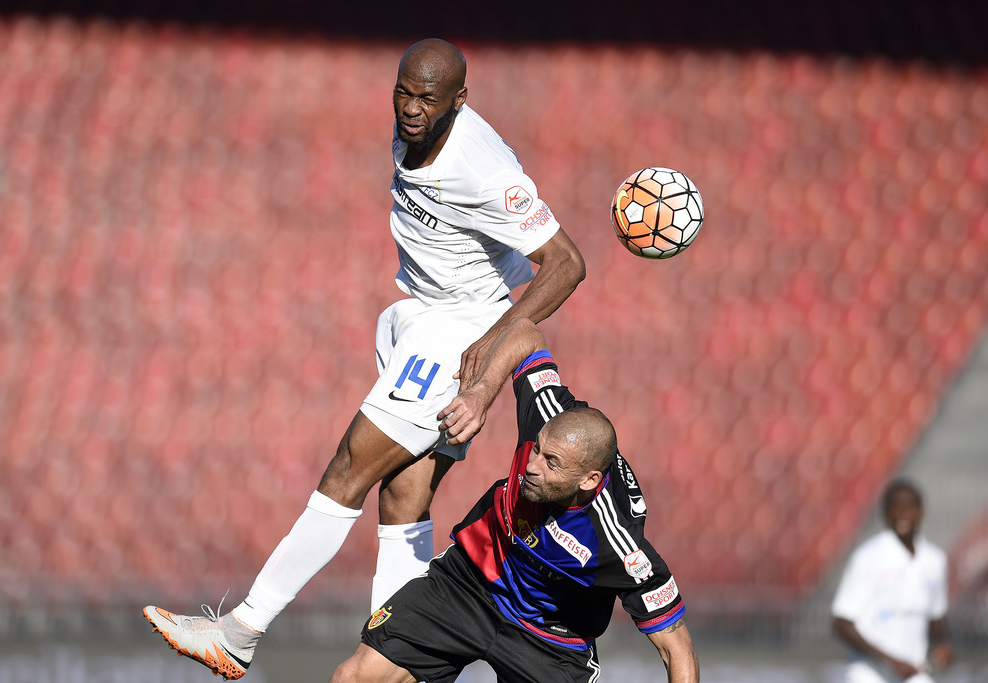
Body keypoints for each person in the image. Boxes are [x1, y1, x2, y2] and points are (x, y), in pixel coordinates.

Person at [143, 38, 585, 680]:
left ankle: (239, 632)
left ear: (460, 101)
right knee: (404, 495)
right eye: (403, 92)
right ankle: (395, 658)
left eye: (427, 98)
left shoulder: (483, 167)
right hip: (418, 316)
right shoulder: (414, 131)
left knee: (348, 467)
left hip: (458, 326)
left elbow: (567, 263)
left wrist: (491, 356)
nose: (410, 107)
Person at [330, 318, 700, 683]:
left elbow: (676, 648)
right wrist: (481, 392)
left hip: (551, 638)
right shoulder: (547, 412)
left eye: (550, 463)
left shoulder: (621, 547)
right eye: (537, 449)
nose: (531, 466)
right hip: (471, 583)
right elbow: (525, 333)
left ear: (588, 481)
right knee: (354, 677)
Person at [831, 478, 954, 683]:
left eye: (909, 507)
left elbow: (936, 617)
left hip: (913, 671)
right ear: (885, 513)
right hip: (868, 673)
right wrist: (890, 661)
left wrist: (943, 645)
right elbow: (841, 622)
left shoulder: (935, 560)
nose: (902, 514)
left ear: (921, 512)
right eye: (895, 507)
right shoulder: (868, 557)